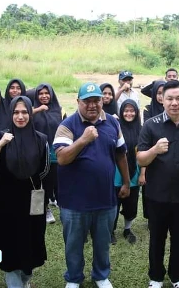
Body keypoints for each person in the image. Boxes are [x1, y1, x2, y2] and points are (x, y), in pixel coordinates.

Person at [53, 82, 130, 288]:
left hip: (106, 198)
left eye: (96, 100)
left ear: (102, 101)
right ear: (78, 102)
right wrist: (83, 140)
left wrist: (125, 182)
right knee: (74, 244)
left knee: (103, 242)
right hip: (74, 201)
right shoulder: (67, 126)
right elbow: (61, 158)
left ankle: (101, 275)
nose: (92, 105)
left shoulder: (113, 124)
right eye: (87, 101)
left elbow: (121, 154)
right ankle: (74, 278)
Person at [137, 80, 179, 288]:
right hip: (156, 195)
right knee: (157, 238)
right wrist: (154, 150)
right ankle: (156, 277)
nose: (174, 103)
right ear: (162, 99)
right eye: (170, 98)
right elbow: (141, 159)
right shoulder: (151, 125)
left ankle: (177, 276)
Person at [0, 96, 50, 288]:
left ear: (30, 113)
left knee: (30, 245)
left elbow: (45, 169)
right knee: (11, 248)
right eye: (15, 112)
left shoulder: (41, 139)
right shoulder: (1, 137)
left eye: (24, 112)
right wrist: (1, 145)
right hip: (7, 202)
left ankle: (25, 281)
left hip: (32, 202)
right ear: (10, 114)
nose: (20, 116)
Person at [32, 83, 66, 224]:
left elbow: (65, 127)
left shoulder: (59, 110)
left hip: (55, 152)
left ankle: (60, 207)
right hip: (38, 152)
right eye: (41, 93)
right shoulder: (32, 110)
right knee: (38, 183)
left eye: (47, 93)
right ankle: (41, 210)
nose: (44, 96)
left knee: (56, 181)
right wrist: (38, 110)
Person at [112, 99, 142, 245]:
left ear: (136, 113)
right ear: (121, 111)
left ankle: (127, 229)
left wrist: (143, 173)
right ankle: (110, 231)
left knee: (131, 205)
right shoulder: (115, 128)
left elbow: (144, 152)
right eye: (126, 110)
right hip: (116, 173)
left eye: (132, 110)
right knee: (113, 204)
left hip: (134, 174)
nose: (129, 113)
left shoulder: (142, 129)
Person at [141, 80, 165, 223]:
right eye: (159, 93)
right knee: (150, 186)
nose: (161, 97)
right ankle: (150, 216)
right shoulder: (148, 109)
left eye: (164, 93)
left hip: (168, 151)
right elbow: (149, 131)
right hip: (151, 150)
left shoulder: (174, 108)